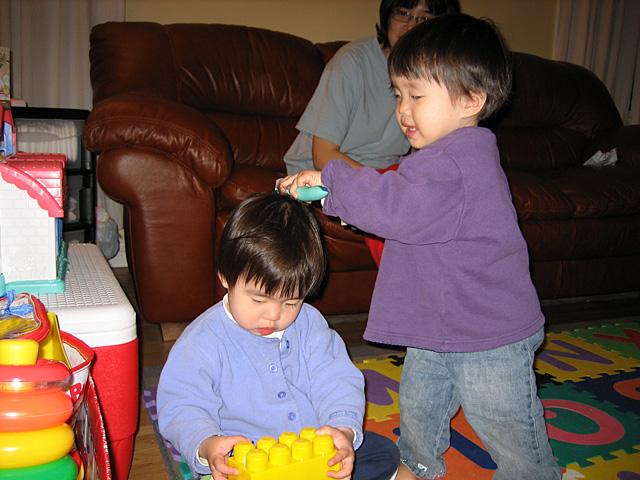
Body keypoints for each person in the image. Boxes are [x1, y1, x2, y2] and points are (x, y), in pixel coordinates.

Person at [279, 14, 562, 480]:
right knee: (420, 401)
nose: (402, 110)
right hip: (441, 322)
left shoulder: (456, 163)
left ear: (472, 99)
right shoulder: (436, 158)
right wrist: (338, 194)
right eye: (398, 94)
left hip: (489, 334)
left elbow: (397, 207)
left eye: (416, 95)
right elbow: (401, 209)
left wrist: (334, 179)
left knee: (505, 423)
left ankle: (532, 474)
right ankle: (416, 462)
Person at [156, 193, 406, 480]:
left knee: (384, 453)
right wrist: (208, 444)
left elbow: (336, 379)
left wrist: (343, 431)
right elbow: (181, 405)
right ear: (225, 276)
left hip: (313, 455)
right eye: (259, 300)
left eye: (291, 302)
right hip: (249, 464)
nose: (274, 316)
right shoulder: (201, 342)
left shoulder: (310, 325)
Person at [284, 0, 461, 175]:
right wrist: (381, 186)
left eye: (424, 19)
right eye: (403, 13)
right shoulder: (351, 62)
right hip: (320, 177)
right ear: (388, 16)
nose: (410, 27)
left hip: (382, 177)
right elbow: (322, 156)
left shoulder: (436, 76)